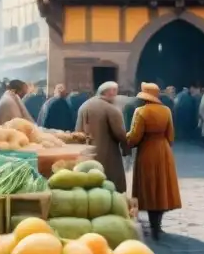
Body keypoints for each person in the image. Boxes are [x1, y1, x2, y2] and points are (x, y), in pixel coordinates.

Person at [127, 82, 182, 241]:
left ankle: (152, 226)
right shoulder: (166, 111)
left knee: (149, 186)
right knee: (162, 187)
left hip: (147, 151)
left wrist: (125, 140)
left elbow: (135, 136)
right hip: (164, 150)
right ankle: (158, 225)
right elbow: (171, 136)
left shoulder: (141, 111)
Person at [77, 81, 129, 191]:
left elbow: (77, 131)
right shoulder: (111, 109)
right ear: (109, 92)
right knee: (109, 181)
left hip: (86, 152)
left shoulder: (84, 105)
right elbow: (120, 133)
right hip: (108, 154)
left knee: (88, 179)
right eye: (115, 91)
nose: (116, 95)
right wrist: (126, 149)